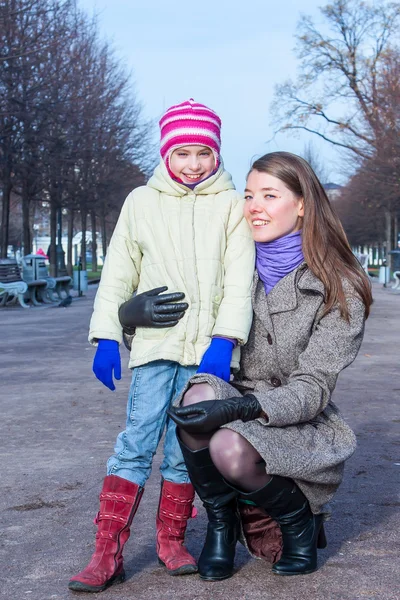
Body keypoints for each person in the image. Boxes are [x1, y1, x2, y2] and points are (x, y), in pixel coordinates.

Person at [128, 151, 372, 582]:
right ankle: (219, 525)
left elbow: (313, 387)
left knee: (227, 443)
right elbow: (179, 338)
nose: (254, 207)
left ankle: (298, 520)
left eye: (269, 195)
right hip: (234, 398)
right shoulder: (231, 269)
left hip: (297, 420)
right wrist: (129, 320)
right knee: (196, 394)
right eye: (248, 195)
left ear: (301, 204)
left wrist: (242, 410)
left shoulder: (338, 285)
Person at [68, 99, 255, 593]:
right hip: (155, 348)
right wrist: (109, 333)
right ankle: (106, 552)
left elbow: (239, 279)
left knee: (183, 451)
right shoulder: (140, 202)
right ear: (166, 154)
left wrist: (225, 338)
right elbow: (118, 273)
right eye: (182, 153)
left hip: (204, 357)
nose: (193, 163)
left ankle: (171, 541)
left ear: (216, 153)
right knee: (135, 443)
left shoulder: (231, 205)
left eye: (202, 152)